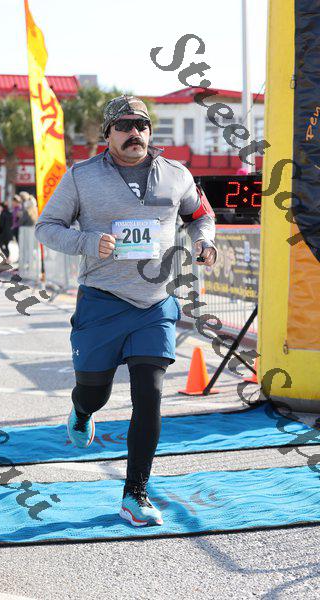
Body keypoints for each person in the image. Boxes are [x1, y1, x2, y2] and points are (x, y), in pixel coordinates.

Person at [35, 95, 217, 528]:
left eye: (141, 125)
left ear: (149, 131)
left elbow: (200, 214)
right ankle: (82, 412)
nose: (134, 132)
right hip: (101, 300)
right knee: (94, 392)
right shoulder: (81, 176)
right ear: (108, 134)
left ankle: (135, 493)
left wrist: (204, 240)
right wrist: (86, 241)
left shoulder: (177, 174)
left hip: (156, 302)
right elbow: (46, 227)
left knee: (149, 396)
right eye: (123, 126)